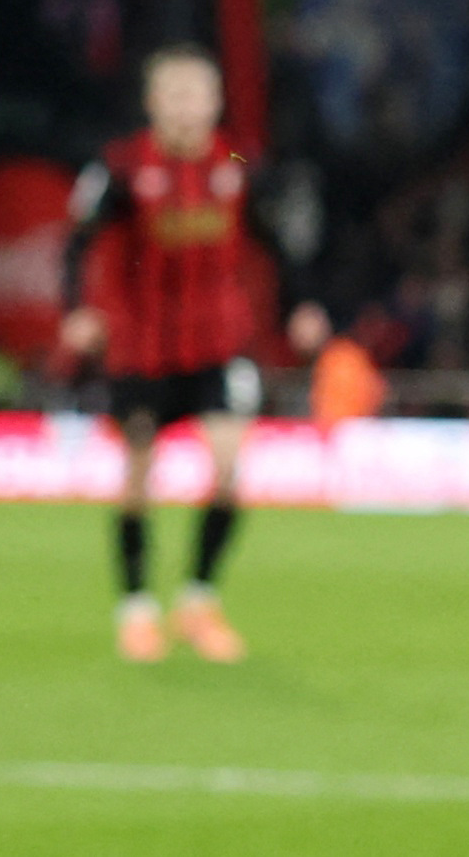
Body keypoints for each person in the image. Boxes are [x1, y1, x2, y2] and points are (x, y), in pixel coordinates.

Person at [57, 43, 324, 664]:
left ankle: (199, 600)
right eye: (172, 96)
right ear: (152, 103)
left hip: (217, 343)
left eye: (195, 95)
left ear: (215, 102)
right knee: (137, 479)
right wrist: (78, 310)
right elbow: (77, 244)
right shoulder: (121, 167)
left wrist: (301, 306)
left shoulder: (239, 164)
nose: (184, 108)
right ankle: (136, 609)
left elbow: (277, 242)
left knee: (230, 468)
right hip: (141, 347)